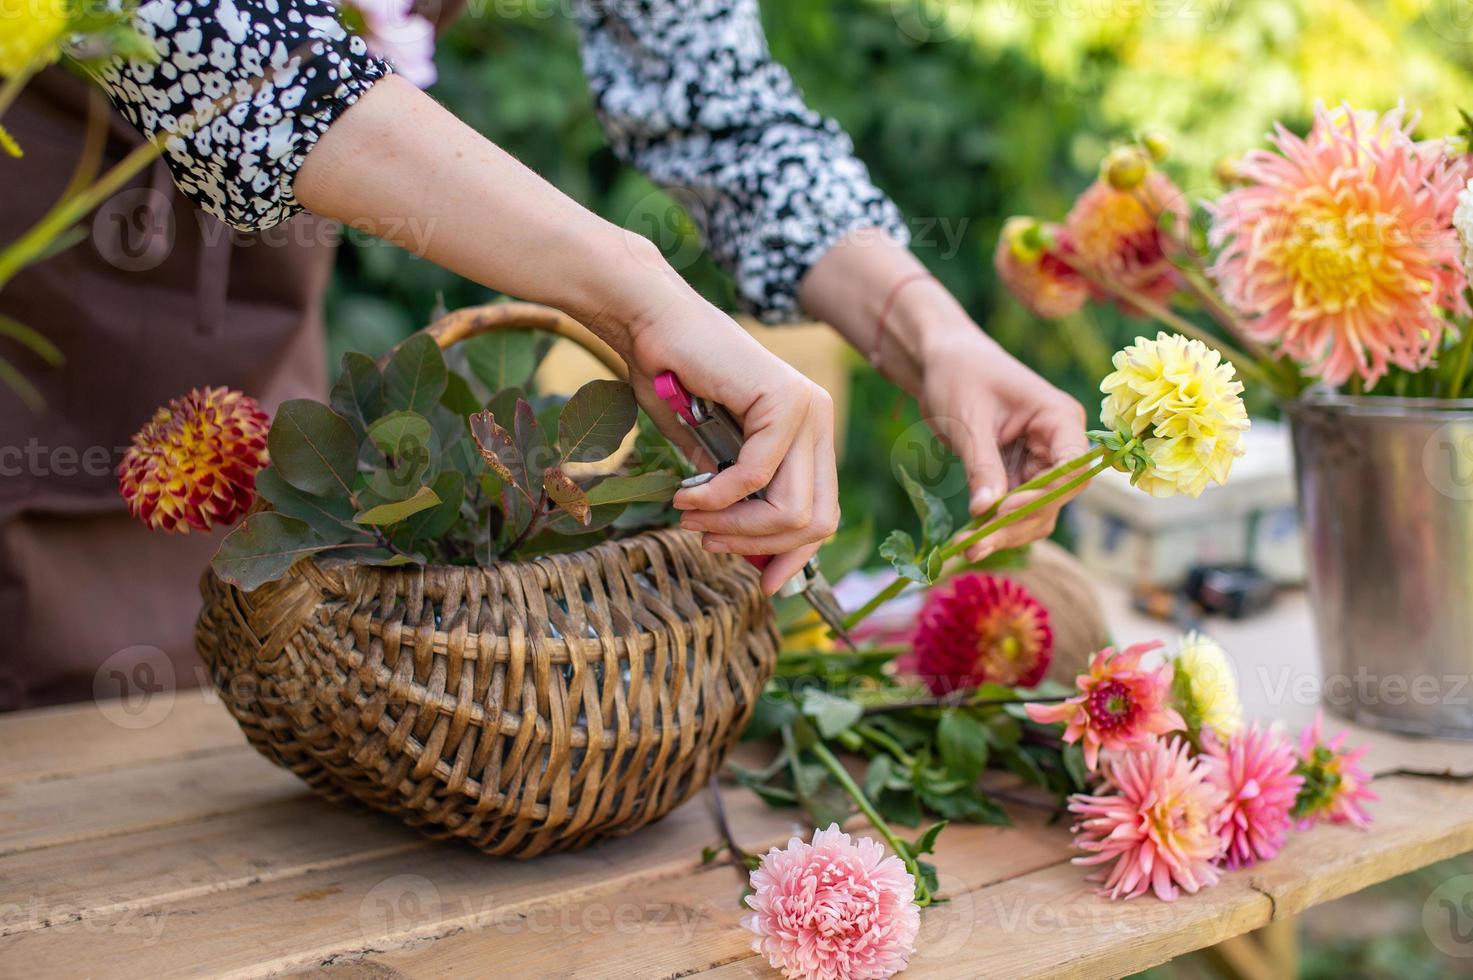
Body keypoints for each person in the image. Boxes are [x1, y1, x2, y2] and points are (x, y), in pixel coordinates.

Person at [0, 0, 1090, 707]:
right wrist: (632, 289)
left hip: (254, 314)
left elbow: (718, 109)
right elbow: (223, 47)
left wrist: (926, 326)